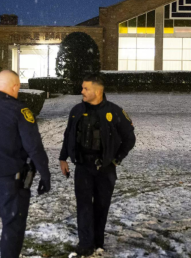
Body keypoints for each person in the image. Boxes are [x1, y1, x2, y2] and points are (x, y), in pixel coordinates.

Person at [0, 70, 51, 258]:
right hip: (10, 180)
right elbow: (34, 147)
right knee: (12, 225)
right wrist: (45, 175)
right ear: (15, 87)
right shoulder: (18, 110)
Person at [59, 74, 136, 256]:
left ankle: (98, 242)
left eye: (86, 88)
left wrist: (117, 159)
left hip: (106, 168)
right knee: (84, 206)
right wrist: (63, 158)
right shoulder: (76, 110)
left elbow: (129, 138)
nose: (82, 91)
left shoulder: (115, 112)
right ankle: (85, 244)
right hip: (83, 167)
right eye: (82, 88)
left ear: (98, 91)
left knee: (102, 205)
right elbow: (68, 134)